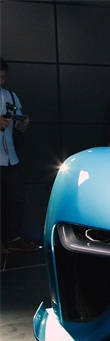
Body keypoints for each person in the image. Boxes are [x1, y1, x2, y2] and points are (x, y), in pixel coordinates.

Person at [0, 57, 37, 252]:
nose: (1, 81)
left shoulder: (11, 96)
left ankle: (13, 239)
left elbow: (18, 128)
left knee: (17, 197)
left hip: (10, 157)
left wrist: (22, 124)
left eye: (3, 77)